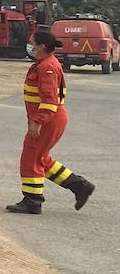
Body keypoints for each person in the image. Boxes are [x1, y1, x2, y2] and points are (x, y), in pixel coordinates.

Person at [7, 28, 96, 215]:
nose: (29, 45)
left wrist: (37, 121)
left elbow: (49, 99)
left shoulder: (47, 67)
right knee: (41, 158)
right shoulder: (44, 63)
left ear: (41, 47)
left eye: (31, 43)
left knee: (31, 158)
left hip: (49, 118)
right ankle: (80, 186)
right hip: (50, 117)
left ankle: (32, 202)